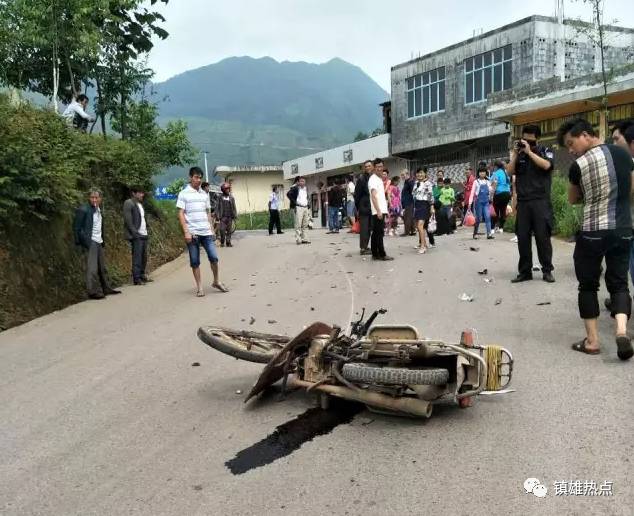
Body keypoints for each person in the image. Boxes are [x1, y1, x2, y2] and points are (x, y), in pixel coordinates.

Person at [559, 117, 633, 361]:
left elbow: (572, 199)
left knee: (588, 284)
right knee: (619, 283)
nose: (571, 150)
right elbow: (631, 189)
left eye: (571, 143)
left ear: (585, 135)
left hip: (593, 231)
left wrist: (589, 195)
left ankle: (592, 341)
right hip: (623, 228)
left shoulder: (578, 165)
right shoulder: (624, 155)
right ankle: (622, 331)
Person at [507, 124, 555, 283]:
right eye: (524, 139)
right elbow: (509, 171)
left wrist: (530, 152)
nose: (526, 142)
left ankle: (547, 270)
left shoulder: (544, 151)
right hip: (523, 203)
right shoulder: (519, 155)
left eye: (530, 140)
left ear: (537, 139)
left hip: (540, 201)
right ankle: (525, 271)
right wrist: (515, 154)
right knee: (523, 238)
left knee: (543, 238)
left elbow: (547, 165)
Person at [177, 167, 228, 296]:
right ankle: (200, 287)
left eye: (200, 178)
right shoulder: (183, 193)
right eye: (196, 177)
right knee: (195, 261)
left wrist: (212, 230)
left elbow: (208, 213)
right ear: (190, 177)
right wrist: (186, 232)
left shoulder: (204, 194)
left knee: (214, 258)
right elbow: (181, 214)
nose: (198, 180)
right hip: (193, 233)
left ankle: (216, 281)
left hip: (206, 232)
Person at [73, 189, 121, 299]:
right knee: (92, 268)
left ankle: (106, 288)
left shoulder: (98, 210)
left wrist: (102, 240)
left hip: (98, 241)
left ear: (100, 199)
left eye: (96, 197)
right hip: (91, 241)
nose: (94, 199)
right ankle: (92, 291)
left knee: (102, 267)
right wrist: (82, 242)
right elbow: (76, 227)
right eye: (92, 197)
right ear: (89, 198)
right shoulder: (83, 209)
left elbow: (100, 226)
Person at [123, 187, 152, 285]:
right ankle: (136, 278)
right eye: (139, 193)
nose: (142, 195)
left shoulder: (140, 205)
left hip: (144, 234)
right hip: (137, 235)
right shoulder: (129, 203)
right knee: (137, 257)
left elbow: (142, 218)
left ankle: (142, 275)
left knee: (144, 257)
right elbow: (128, 220)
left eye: (142, 193)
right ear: (133, 193)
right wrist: (135, 233)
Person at [368, 158, 393, 261]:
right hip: (378, 211)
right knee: (379, 234)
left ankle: (375, 254)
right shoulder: (373, 179)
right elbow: (373, 196)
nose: (379, 168)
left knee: (376, 233)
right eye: (377, 167)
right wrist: (378, 210)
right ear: (374, 167)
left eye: (381, 166)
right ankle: (382, 254)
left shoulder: (379, 179)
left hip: (381, 210)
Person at [412, 168, 435, 254]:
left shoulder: (428, 183)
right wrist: (418, 185)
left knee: (420, 225)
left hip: (425, 205)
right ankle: (424, 243)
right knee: (419, 226)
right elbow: (413, 193)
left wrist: (432, 207)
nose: (419, 175)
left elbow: (431, 195)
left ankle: (422, 246)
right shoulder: (416, 183)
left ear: (425, 174)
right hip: (417, 204)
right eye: (418, 173)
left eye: (421, 173)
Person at [471, 165, 495, 240]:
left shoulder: (488, 182)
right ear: (478, 173)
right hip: (478, 203)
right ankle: (475, 234)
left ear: (486, 173)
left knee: (488, 217)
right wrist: (469, 203)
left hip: (486, 202)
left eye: (484, 172)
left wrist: (494, 185)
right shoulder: (476, 182)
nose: (482, 173)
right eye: (481, 172)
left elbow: (491, 191)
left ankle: (489, 234)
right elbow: (472, 192)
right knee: (478, 219)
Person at [354, 161, 373, 255]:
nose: (368, 167)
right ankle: (363, 248)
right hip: (364, 206)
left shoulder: (373, 177)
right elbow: (356, 195)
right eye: (366, 166)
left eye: (369, 166)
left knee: (369, 227)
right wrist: (358, 207)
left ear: (372, 166)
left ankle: (365, 246)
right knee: (364, 228)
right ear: (364, 168)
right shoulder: (361, 179)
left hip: (372, 206)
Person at [287, 176, 311, 244]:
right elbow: (288, 194)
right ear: (298, 182)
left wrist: (308, 204)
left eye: (303, 181)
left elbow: (307, 197)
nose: (302, 182)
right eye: (301, 181)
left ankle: (304, 238)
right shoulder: (295, 188)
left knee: (305, 224)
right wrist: (294, 202)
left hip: (305, 207)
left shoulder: (306, 189)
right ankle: (298, 239)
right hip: (299, 207)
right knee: (298, 224)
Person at [491, 159, 512, 233]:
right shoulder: (505, 173)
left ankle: (492, 228)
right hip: (507, 193)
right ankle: (501, 228)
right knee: (503, 210)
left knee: (495, 211)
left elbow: (493, 184)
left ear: (496, 166)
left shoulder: (495, 173)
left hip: (499, 193)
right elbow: (509, 183)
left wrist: (490, 196)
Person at [216, 182, 237, 247]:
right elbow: (217, 207)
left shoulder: (231, 198)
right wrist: (217, 215)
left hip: (230, 216)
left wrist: (235, 215)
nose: (228, 190)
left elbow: (234, 207)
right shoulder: (220, 197)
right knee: (222, 230)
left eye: (228, 189)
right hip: (223, 217)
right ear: (223, 190)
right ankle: (222, 242)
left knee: (229, 230)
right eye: (226, 189)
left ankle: (228, 242)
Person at [400, 169, 416, 236]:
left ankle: (407, 232)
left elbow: (413, 192)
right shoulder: (406, 182)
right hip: (407, 202)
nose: (402, 176)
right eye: (401, 175)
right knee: (410, 217)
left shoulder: (410, 181)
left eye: (403, 175)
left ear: (407, 174)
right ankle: (413, 231)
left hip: (409, 202)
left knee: (407, 217)